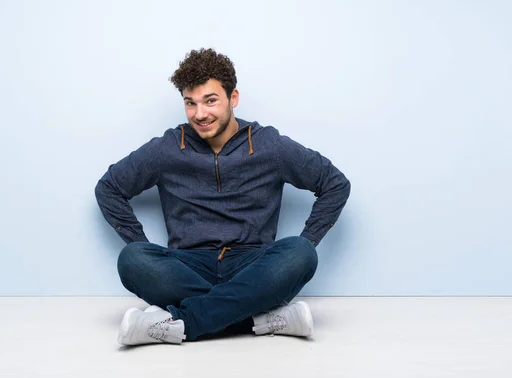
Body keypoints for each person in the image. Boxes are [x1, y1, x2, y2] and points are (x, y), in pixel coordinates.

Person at [95, 48, 351, 346]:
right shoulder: (167, 148)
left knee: (302, 253)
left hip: (253, 265)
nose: (200, 114)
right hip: (188, 266)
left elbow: (335, 184)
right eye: (190, 103)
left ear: (233, 98)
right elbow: (109, 188)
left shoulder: (269, 145)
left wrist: (311, 236)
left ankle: (183, 323)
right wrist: (138, 240)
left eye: (210, 100)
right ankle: (261, 319)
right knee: (132, 259)